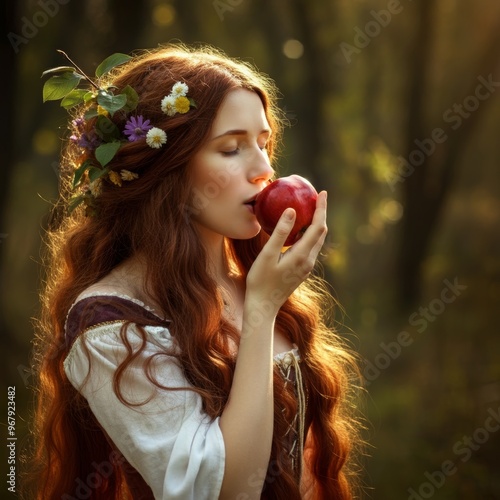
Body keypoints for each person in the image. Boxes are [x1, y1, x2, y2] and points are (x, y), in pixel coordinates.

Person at [27, 43, 361, 499]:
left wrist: (263, 299)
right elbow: (225, 491)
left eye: (264, 144)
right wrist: (262, 307)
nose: (264, 170)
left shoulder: (254, 282)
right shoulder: (111, 323)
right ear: (167, 166)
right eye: (231, 149)